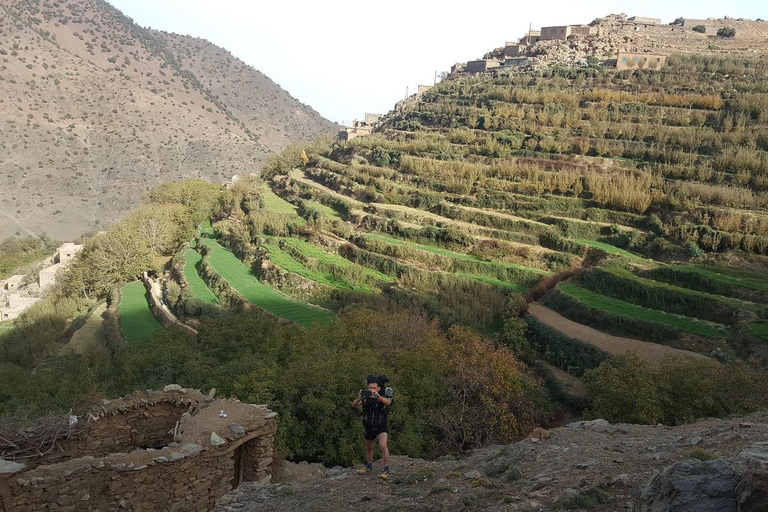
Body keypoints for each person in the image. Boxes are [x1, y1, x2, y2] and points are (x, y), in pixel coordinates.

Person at [351, 375, 393, 479]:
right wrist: (358, 398)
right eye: (370, 388)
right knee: (369, 447)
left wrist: (378, 397)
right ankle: (369, 466)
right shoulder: (366, 399)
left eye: (374, 388)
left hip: (381, 425)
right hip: (369, 425)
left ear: (379, 388)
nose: (372, 390)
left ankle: (386, 469)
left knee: (383, 446)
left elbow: (388, 403)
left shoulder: (382, 398)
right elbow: (354, 405)